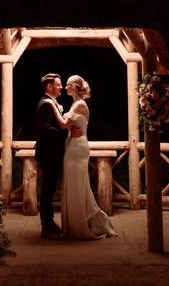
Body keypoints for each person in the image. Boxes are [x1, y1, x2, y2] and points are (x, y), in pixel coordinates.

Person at [47, 74, 118, 240]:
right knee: (78, 185)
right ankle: (87, 222)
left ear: (75, 87)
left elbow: (64, 124)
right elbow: (69, 125)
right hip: (74, 145)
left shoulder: (79, 104)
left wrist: (53, 106)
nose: (65, 88)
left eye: (68, 85)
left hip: (77, 148)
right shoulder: (76, 104)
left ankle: (80, 226)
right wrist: (69, 125)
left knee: (77, 185)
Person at [35, 73, 68, 240]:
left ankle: (49, 223)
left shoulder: (51, 103)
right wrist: (66, 132)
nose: (61, 87)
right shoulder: (46, 105)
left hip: (52, 154)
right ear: (49, 87)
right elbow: (46, 131)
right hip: (49, 154)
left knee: (49, 188)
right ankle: (46, 226)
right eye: (58, 84)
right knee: (47, 190)